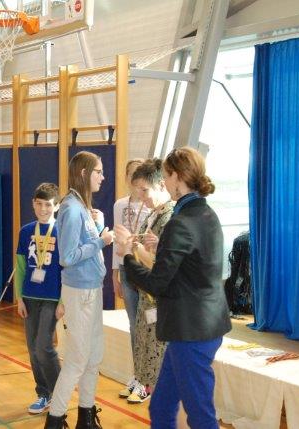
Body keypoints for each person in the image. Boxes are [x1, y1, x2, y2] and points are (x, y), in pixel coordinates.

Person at [115, 147, 231, 429]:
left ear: (177, 177)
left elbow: (157, 283)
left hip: (191, 331)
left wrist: (128, 256)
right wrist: (162, 248)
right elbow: (193, 265)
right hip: (201, 325)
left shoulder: (180, 222)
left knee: (200, 415)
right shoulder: (206, 213)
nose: (165, 183)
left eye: (166, 176)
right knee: (162, 406)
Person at [45, 151, 115, 429]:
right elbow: (68, 257)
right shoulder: (72, 209)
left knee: (94, 356)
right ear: (84, 173)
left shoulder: (81, 206)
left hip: (92, 289)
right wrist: (101, 241)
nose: (103, 177)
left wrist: (97, 227)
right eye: (98, 171)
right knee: (77, 359)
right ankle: (55, 419)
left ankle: (86, 416)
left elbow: (82, 244)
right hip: (80, 291)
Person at [123, 158, 175, 404]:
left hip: (160, 300)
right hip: (147, 295)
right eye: (138, 192)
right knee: (146, 347)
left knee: (160, 355)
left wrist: (133, 249)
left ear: (161, 185)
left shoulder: (170, 217)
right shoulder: (154, 215)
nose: (141, 197)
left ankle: (159, 399)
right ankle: (145, 386)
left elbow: (159, 264)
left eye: (145, 191)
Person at [15, 183, 64, 414]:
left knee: (44, 345)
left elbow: (67, 269)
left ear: (57, 206)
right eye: (39, 204)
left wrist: (63, 301)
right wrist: (19, 298)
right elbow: (21, 266)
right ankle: (43, 393)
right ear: (33, 204)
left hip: (52, 298)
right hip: (29, 297)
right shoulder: (26, 231)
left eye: (48, 205)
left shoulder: (62, 231)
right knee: (33, 348)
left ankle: (59, 393)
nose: (43, 209)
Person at [112, 158, 151, 399]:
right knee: (133, 324)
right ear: (127, 178)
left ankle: (147, 380)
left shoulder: (151, 205)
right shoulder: (120, 205)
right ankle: (138, 374)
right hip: (126, 269)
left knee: (147, 324)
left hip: (145, 270)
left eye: (140, 175)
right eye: (132, 175)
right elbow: (117, 242)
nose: (136, 180)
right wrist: (115, 273)